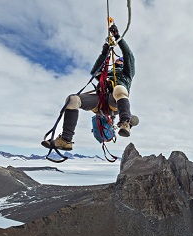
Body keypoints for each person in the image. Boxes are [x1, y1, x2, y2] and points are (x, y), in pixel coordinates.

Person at [45, 23, 135, 151]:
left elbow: (129, 56)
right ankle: (66, 140)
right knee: (72, 100)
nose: (118, 60)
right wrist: (104, 53)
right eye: (117, 59)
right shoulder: (106, 74)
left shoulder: (127, 73)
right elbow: (95, 72)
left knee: (119, 89)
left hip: (115, 102)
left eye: (121, 59)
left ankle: (125, 122)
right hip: (100, 101)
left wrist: (117, 37)